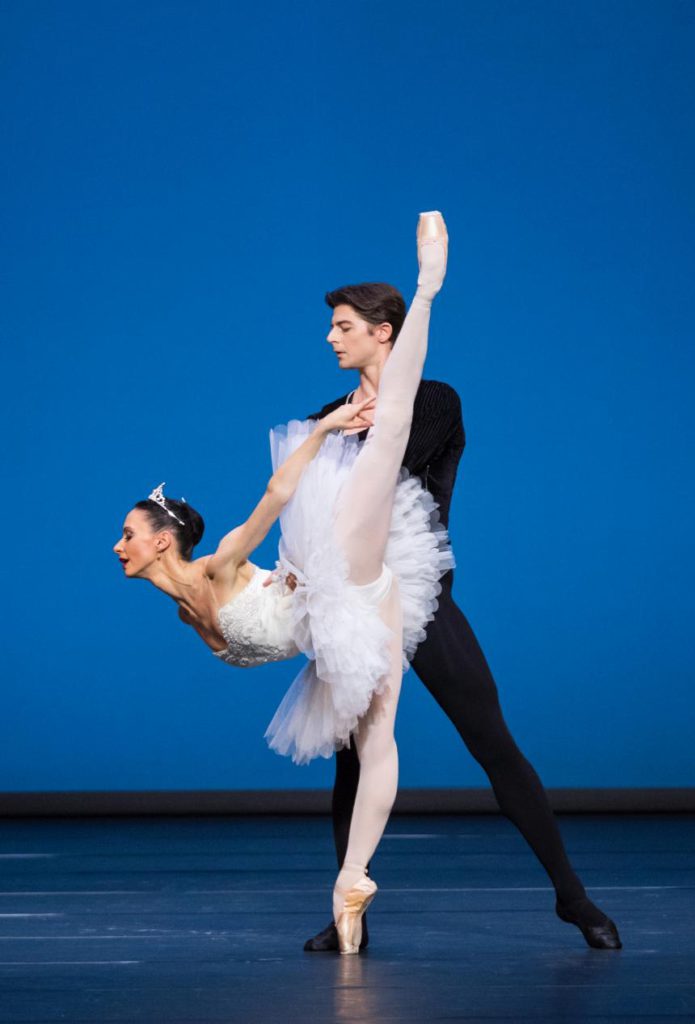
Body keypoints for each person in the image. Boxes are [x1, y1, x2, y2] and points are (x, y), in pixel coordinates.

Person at [113, 211, 452, 954]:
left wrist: (327, 432)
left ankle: (428, 287)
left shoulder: (219, 565)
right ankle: (352, 880)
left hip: (338, 563)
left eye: (128, 537)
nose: (118, 548)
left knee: (390, 427)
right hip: (346, 620)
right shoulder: (183, 614)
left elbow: (272, 502)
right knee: (375, 738)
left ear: (164, 541)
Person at [303, 282, 623, 953]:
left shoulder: (434, 400)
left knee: (491, 741)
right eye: (331, 328)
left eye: (343, 326)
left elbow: (391, 462)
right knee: (351, 763)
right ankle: (346, 910)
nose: (331, 338)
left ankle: (572, 896)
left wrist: (342, 440)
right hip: (354, 603)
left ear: (383, 331)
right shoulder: (328, 413)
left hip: (419, 593)